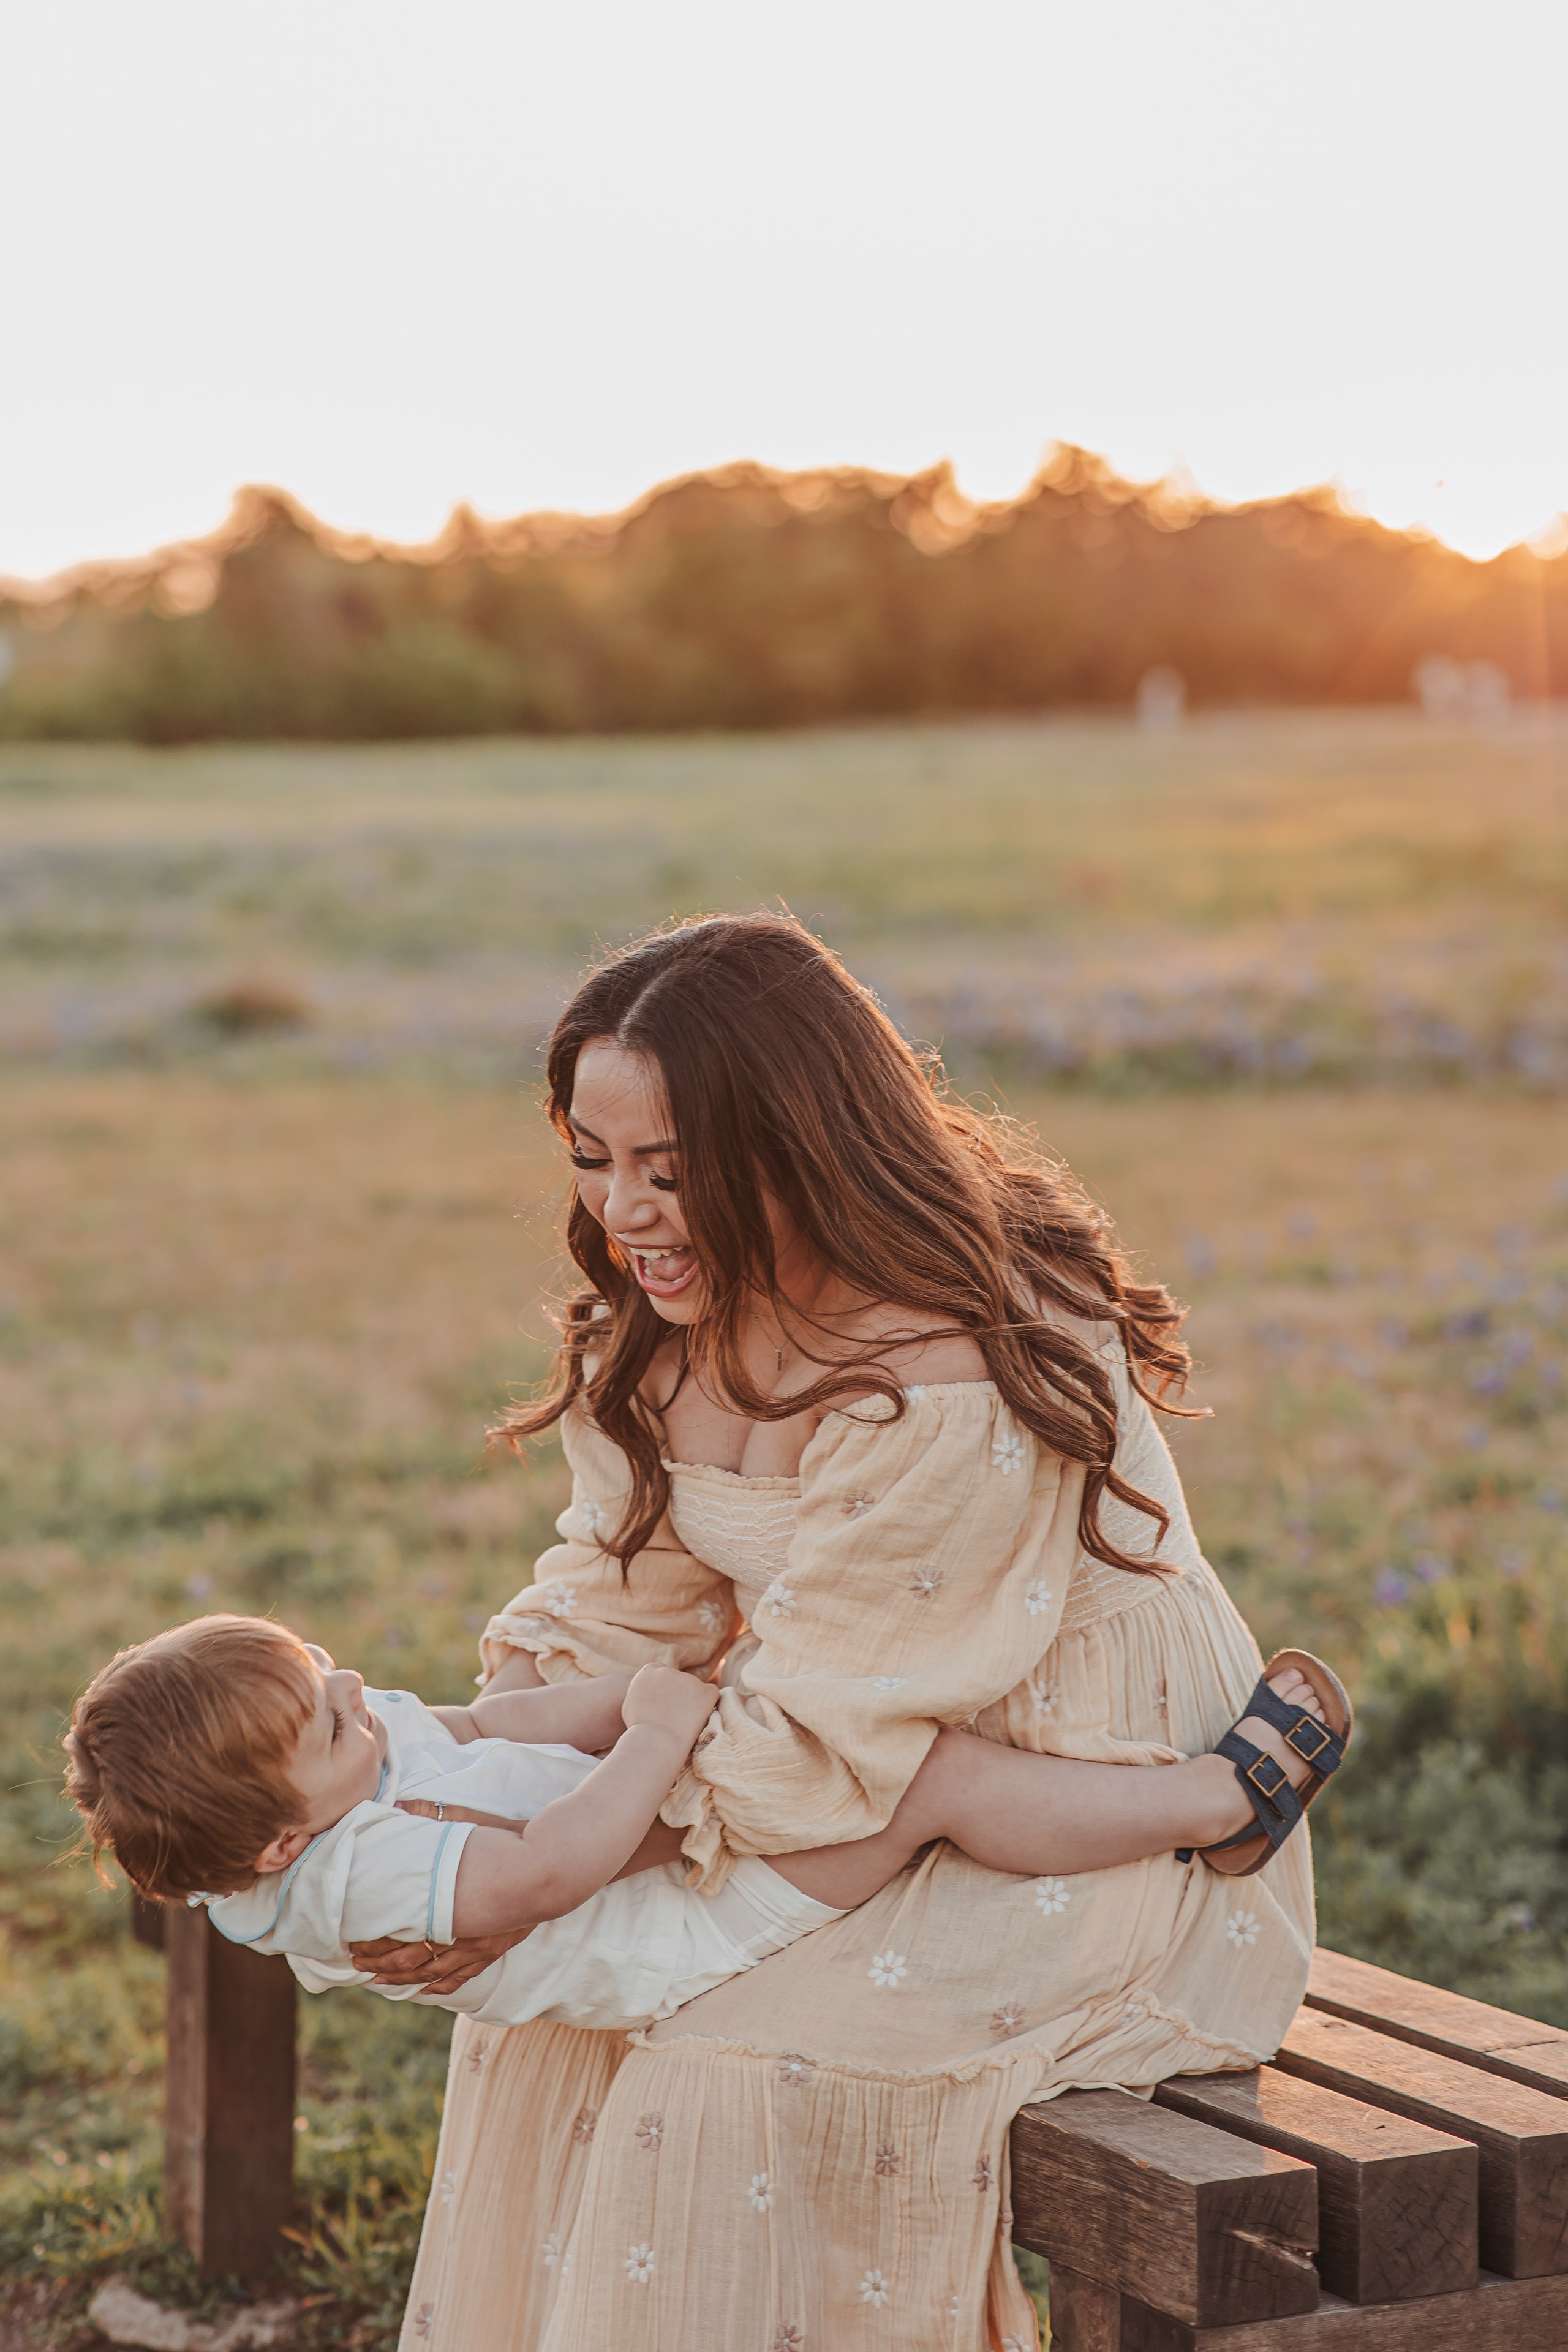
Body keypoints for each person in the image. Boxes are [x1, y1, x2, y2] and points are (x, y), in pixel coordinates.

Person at [348, 912, 1336, 2351]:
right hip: (835, 1768)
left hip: (1093, 1802)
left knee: (723, 2075)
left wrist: (559, 1862)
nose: (622, 1211)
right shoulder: (667, 1322)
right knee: (546, 2015)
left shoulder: (949, 1354)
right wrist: (485, 1819)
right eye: (590, 1158)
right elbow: (611, 1602)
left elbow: (830, 1734)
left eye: (668, 1173)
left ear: (794, 1148)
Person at [66, 1613, 1335, 2033]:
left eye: (327, 1670)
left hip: (655, 1835)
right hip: (684, 1923)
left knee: (867, 1748)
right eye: (330, 1722)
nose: (357, 1696)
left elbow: (476, 1729)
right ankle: (1222, 1802)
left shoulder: (340, 1766)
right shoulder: (357, 1879)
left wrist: (617, 1701)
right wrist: (662, 1737)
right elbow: (553, 1867)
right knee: (922, 1780)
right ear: (284, 1844)